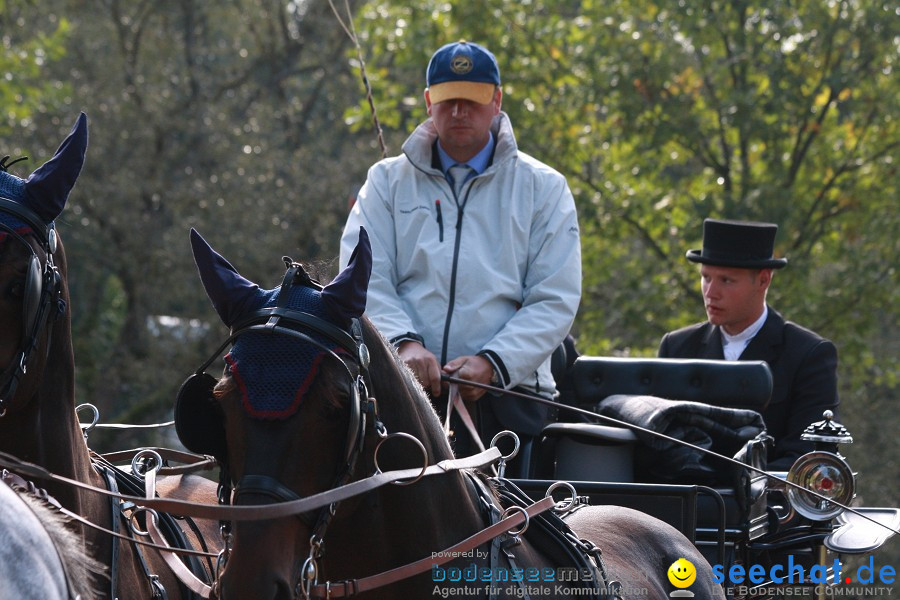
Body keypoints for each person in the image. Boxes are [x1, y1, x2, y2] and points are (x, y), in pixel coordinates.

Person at [339, 40, 581, 477]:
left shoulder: (544, 187)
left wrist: (492, 363)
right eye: (449, 100)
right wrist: (403, 345)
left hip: (509, 405)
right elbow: (362, 276)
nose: (459, 111)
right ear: (429, 102)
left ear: (496, 102)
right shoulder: (387, 182)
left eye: (472, 100)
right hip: (398, 396)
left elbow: (555, 297)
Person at [658, 218, 840, 470]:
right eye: (706, 277)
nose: (711, 292)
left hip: (770, 504)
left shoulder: (808, 354)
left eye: (726, 280)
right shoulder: (677, 348)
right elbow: (659, 443)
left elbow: (806, 454)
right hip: (688, 500)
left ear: (764, 280)